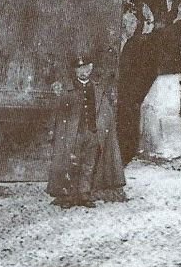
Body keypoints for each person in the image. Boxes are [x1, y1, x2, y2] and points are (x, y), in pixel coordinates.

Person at [47, 52, 126, 208]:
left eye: (86, 67)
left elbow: (106, 111)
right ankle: (69, 196)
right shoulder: (67, 90)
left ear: (91, 68)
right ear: (74, 71)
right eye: (79, 68)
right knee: (71, 163)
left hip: (92, 133)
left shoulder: (97, 89)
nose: (83, 71)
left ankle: (84, 194)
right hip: (73, 135)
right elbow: (58, 112)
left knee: (88, 165)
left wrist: (101, 129)